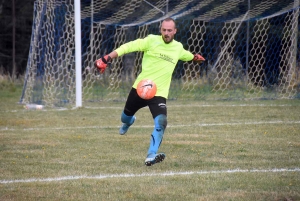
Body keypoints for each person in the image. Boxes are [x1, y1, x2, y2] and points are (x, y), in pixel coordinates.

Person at [95, 17, 205, 166]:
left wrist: (196, 59)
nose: (166, 33)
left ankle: (151, 155)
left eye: (169, 30)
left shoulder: (178, 48)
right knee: (124, 118)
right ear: (161, 30)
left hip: (158, 93)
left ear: (175, 31)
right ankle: (129, 121)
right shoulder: (151, 40)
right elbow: (128, 47)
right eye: (164, 30)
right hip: (140, 88)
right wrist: (107, 58)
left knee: (161, 122)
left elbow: (189, 56)